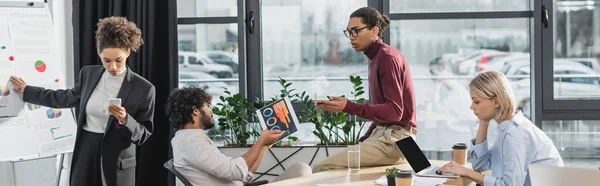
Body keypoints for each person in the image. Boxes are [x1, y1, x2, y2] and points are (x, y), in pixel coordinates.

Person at [10, 17, 154, 186]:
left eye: (118, 60)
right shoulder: (88, 74)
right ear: (99, 53)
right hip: (86, 149)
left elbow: (143, 134)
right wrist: (28, 91)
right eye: (107, 60)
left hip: (117, 160)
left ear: (128, 52)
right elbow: (65, 98)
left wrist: (125, 119)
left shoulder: (144, 88)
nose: (113, 67)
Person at [312, 7, 417, 173]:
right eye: (349, 32)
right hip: (386, 135)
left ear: (374, 30)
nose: (351, 37)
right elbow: (383, 115)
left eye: (356, 31)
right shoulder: (376, 57)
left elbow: (395, 112)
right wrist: (365, 139)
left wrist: (348, 107)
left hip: (398, 140)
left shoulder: (387, 58)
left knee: (321, 167)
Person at [437, 71, 564, 186]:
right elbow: (480, 165)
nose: (471, 107)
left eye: (476, 102)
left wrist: (466, 172)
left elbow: (509, 185)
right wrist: (483, 122)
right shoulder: (507, 128)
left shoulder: (516, 133)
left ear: (496, 102)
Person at [166, 87, 312, 186]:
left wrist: (264, 146)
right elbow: (235, 171)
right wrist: (260, 141)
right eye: (207, 106)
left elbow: (242, 174)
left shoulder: (189, 139)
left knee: (300, 170)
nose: (211, 112)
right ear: (196, 110)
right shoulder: (191, 143)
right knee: (302, 170)